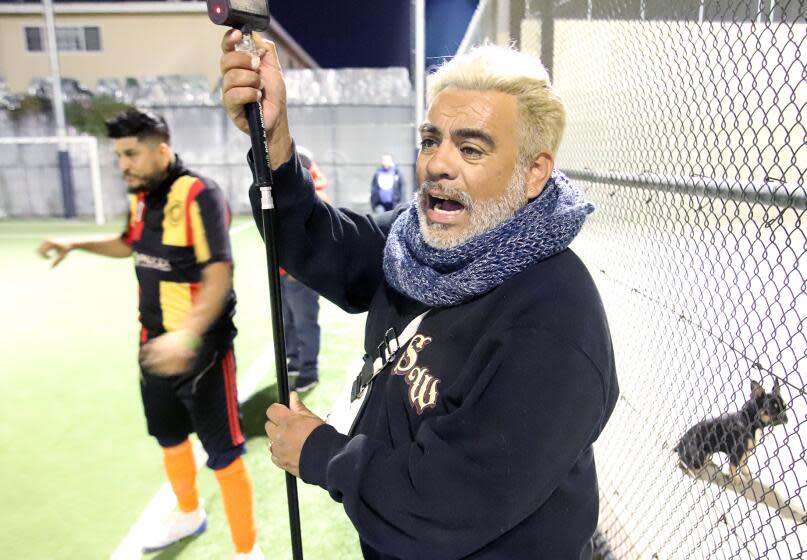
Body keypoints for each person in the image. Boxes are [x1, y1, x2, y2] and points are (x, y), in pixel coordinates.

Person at [221, 31, 618, 559]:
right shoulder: (415, 241)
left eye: (470, 147)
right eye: (432, 140)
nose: (437, 163)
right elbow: (322, 246)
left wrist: (320, 452)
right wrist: (272, 143)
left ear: (534, 172)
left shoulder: (554, 319)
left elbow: (449, 503)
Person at [37, 109, 263, 559]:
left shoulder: (199, 193)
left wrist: (188, 336)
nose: (122, 164)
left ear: (161, 150)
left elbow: (219, 274)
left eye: (131, 154)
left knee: (223, 452)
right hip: (153, 343)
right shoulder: (140, 196)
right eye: (118, 155)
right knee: (169, 436)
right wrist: (76, 243)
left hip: (202, 352)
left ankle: (246, 550)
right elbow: (129, 243)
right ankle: (187, 513)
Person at [279, 145, 330, 392]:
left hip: (299, 275)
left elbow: (312, 240)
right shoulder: (297, 191)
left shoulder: (314, 197)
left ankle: (309, 371)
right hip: (284, 271)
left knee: (304, 323)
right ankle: (297, 361)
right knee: (288, 320)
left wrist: (296, 268)